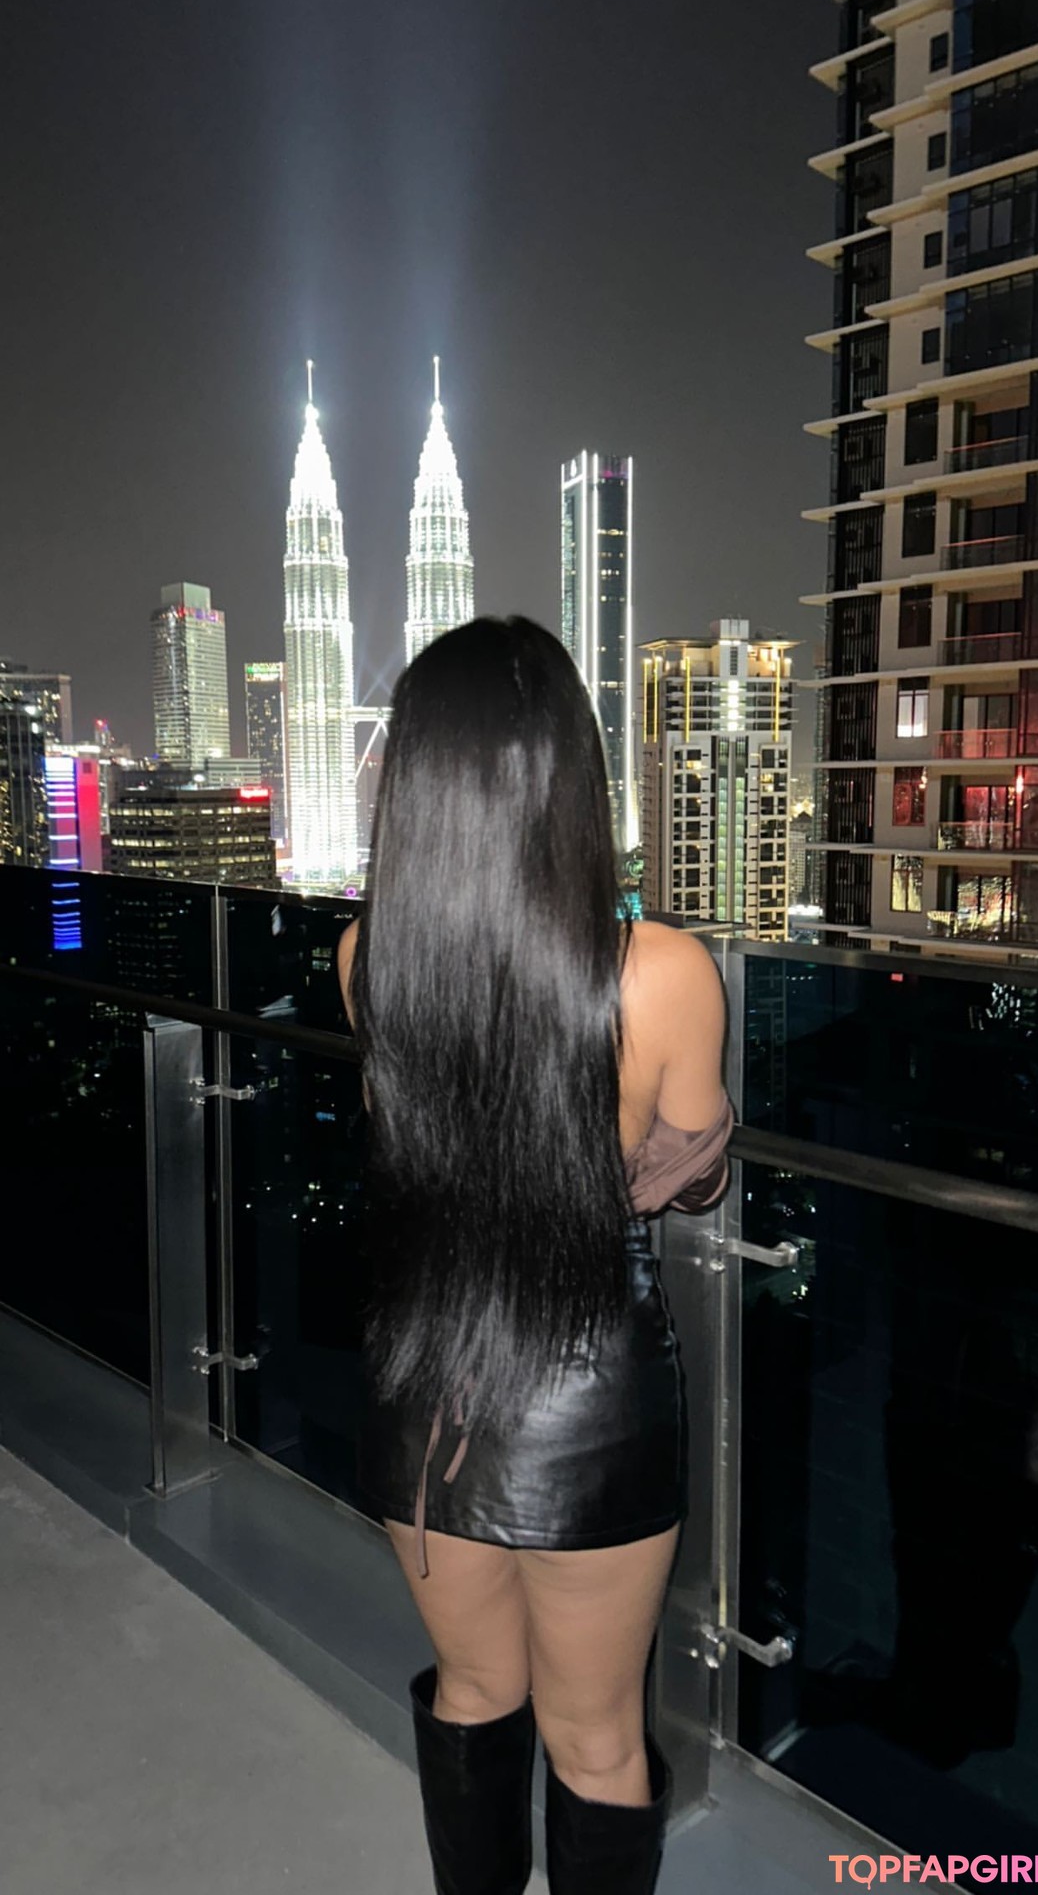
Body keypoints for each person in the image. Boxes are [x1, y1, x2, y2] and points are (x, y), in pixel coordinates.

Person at [336, 615, 731, 1895]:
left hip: (422, 1375)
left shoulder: (368, 954)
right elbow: (686, 1174)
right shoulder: (662, 973)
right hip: (587, 1394)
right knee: (597, 1735)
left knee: (473, 1687)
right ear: (570, 774)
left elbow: (418, 1140)